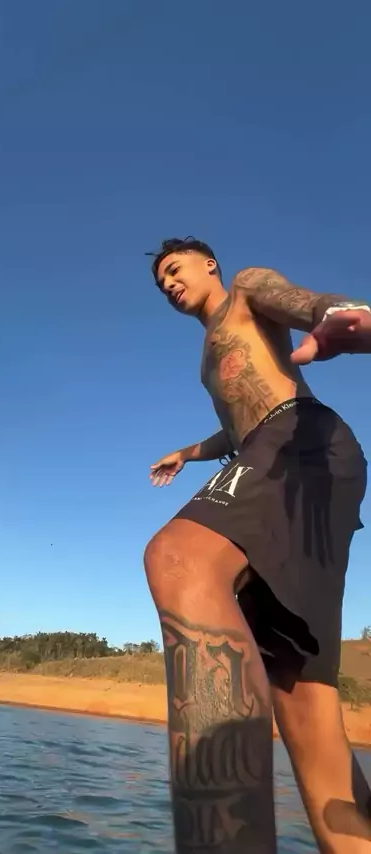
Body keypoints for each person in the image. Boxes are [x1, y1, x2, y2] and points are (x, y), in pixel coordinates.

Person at [144, 237, 371, 854]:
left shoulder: (244, 290)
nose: (169, 284)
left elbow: (301, 300)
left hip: (299, 439)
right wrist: (188, 453)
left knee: (179, 557)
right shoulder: (206, 359)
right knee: (297, 688)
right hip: (283, 456)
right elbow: (238, 423)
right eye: (161, 282)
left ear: (208, 264)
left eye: (175, 270)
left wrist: (335, 312)